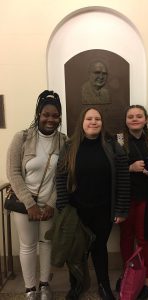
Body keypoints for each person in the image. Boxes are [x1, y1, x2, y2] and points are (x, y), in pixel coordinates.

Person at [55, 107, 130, 300]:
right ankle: (77, 286)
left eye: (97, 118)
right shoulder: (69, 147)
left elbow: (123, 179)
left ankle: (103, 286)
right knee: (77, 251)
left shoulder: (113, 146)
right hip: (75, 211)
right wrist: (63, 207)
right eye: (89, 118)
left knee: (99, 248)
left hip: (103, 210)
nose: (93, 122)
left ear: (102, 123)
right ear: (82, 122)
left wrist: (121, 209)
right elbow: (60, 177)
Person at [6, 90, 67, 300]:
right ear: (38, 114)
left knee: (46, 243)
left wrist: (51, 203)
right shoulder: (22, 138)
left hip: (49, 204)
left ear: (60, 117)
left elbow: (64, 175)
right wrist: (29, 204)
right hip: (26, 203)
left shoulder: (63, 141)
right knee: (28, 245)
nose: (50, 119)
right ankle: (30, 288)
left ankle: (44, 285)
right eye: (46, 114)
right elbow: (13, 172)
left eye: (55, 115)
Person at [116, 105, 148, 299]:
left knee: (144, 238)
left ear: (146, 119)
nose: (135, 119)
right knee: (126, 237)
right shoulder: (117, 142)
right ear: (126, 120)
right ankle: (128, 272)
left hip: (147, 198)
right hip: (125, 198)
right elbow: (111, 168)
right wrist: (130, 167)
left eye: (139, 116)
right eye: (131, 116)